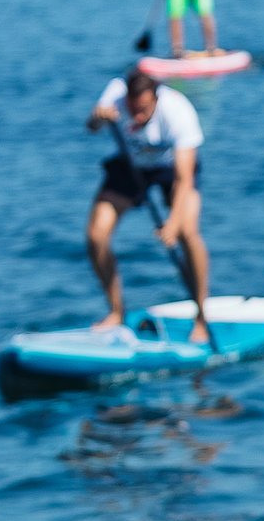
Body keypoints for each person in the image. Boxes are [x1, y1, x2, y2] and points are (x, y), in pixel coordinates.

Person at [85, 67, 212, 345]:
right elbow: (91, 127)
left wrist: (173, 223)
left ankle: (201, 317)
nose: (137, 117)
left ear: (156, 98)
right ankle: (116, 312)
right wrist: (98, 117)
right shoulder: (115, 95)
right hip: (131, 166)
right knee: (96, 236)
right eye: (132, 110)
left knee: (187, 233)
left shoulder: (178, 112)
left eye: (143, 111)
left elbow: (184, 179)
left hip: (172, 170)